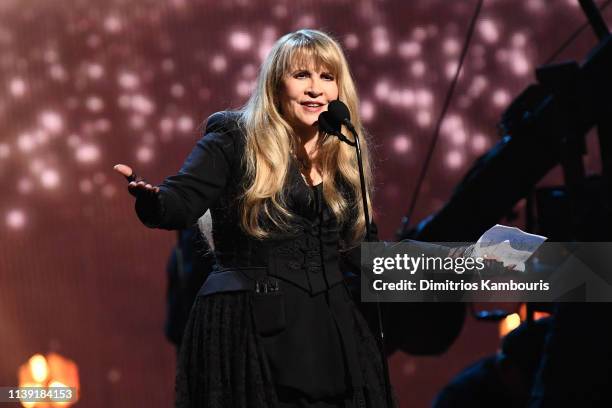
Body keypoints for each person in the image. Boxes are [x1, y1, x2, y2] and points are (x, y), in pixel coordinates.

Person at [114, 29, 393, 407]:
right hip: (249, 331)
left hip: (329, 336)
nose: (316, 89)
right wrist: (153, 201)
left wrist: (463, 264)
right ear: (276, 84)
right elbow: (181, 199)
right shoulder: (234, 139)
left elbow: (365, 254)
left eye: (327, 77)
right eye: (302, 76)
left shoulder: (343, 154)